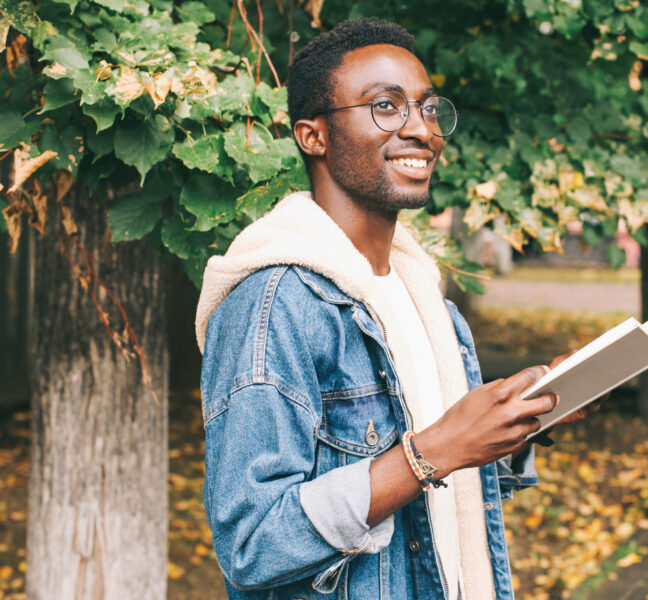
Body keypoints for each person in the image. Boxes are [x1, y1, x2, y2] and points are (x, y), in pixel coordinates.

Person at [196, 17, 597, 600]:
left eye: (428, 108)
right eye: (386, 106)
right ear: (314, 136)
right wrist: (431, 453)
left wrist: (515, 427)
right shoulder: (273, 303)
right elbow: (252, 543)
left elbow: (443, 494)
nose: (422, 130)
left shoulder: (423, 296)